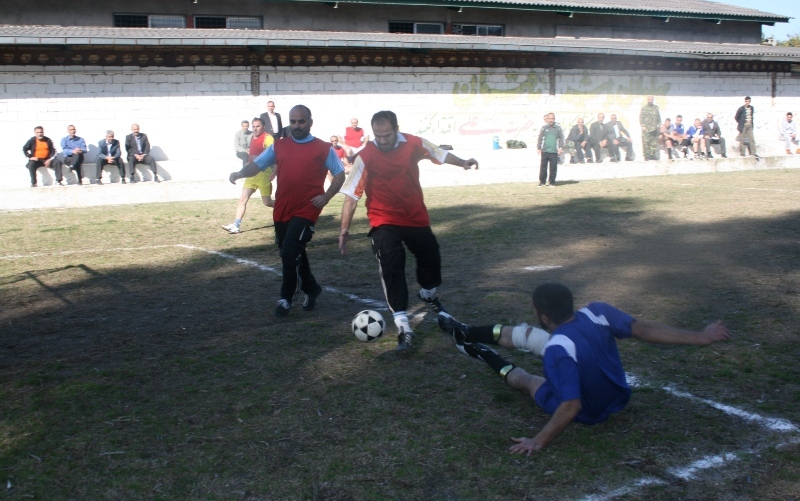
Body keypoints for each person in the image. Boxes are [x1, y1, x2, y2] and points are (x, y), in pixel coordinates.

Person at [437, 282, 731, 454]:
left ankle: (482, 353)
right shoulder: (598, 312)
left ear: (542, 315)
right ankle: (464, 333)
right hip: (619, 395)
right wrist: (701, 336)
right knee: (528, 337)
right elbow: (644, 328)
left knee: (530, 381)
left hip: (591, 412)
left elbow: (571, 406)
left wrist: (537, 441)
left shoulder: (557, 350)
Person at [338, 110, 479, 353]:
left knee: (431, 258)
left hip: (415, 218)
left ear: (397, 129)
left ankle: (427, 292)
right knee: (391, 260)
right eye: (378, 136)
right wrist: (344, 230)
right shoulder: (366, 155)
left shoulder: (413, 143)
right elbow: (351, 195)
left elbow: (439, 153)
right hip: (383, 219)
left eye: (387, 135)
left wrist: (462, 162)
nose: (382, 140)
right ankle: (403, 324)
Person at [229, 105, 345, 317]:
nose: (297, 126)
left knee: (290, 252)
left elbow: (339, 174)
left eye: (301, 121)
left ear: (310, 122)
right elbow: (256, 165)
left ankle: (286, 298)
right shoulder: (279, 146)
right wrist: (238, 173)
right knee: (294, 252)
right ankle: (312, 288)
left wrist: (326, 197)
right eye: (293, 122)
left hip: (307, 209)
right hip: (282, 208)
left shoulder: (323, 148)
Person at [222, 118, 275, 234]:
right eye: (254, 126)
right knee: (242, 199)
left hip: (263, 174)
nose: (255, 129)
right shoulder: (252, 137)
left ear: (263, 126)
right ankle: (236, 225)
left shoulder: (268, 138)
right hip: (251, 175)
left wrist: (274, 172)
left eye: (258, 126)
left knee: (267, 202)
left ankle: (288, 209)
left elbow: (274, 154)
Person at [537, 113, 564, 186]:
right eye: (549, 118)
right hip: (545, 150)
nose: (551, 120)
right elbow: (540, 138)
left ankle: (552, 182)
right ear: (547, 119)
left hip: (554, 151)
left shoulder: (558, 128)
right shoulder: (544, 128)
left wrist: (561, 148)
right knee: (543, 167)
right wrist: (539, 148)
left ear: (554, 119)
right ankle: (542, 182)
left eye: (552, 119)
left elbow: (561, 138)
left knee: (553, 168)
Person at [639, 95, 661, 161]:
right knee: (646, 142)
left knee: (653, 143)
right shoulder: (644, 108)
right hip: (646, 129)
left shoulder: (656, 108)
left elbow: (658, 118)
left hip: (654, 128)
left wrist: (659, 125)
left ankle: (652, 155)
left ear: (653, 100)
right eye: (649, 99)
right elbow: (641, 118)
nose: (650, 100)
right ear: (647, 99)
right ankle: (646, 156)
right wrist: (643, 126)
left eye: (651, 99)